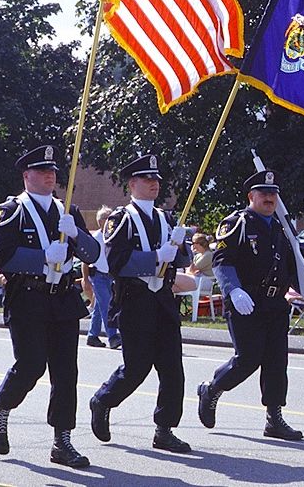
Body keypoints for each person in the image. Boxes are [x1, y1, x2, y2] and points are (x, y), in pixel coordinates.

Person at [0, 145, 99, 468]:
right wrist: (41, 258)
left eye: (52, 171)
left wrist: (75, 234)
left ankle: (62, 440)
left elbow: (92, 254)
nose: (49, 176)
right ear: (26, 176)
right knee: (32, 365)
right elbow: (2, 256)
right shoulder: (12, 211)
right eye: (41, 171)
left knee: (66, 372)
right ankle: (1, 407)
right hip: (28, 298)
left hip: (62, 299)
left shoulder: (67, 212)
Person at [89, 154, 192, 453]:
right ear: (132, 184)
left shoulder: (166, 218)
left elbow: (181, 260)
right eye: (147, 180)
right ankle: (103, 400)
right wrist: (155, 257)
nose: (154, 184)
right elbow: (115, 261)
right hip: (134, 300)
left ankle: (164, 429)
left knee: (173, 368)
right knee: (136, 367)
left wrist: (180, 245)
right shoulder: (121, 219)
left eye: (157, 180)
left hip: (162, 299)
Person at [196, 170, 304, 441]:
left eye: (273, 194)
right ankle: (212, 389)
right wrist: (233, 290)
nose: (269, 198)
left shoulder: (281, 227)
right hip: (246, 302)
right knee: (248, 359)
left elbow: (291, 264)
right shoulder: (238, 223)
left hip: (275, 303)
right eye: (264, 193)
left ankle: (274, 417)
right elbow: (222, 260)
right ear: (251, 196)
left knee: (277, 361)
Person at [83, 205, 122, 349]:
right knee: (106, 304)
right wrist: (85, 279)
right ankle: (112, 336)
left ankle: (92, 335)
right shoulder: (95, 238)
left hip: (111, 276)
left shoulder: (114, 236)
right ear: (100, 221)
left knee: (100, 306)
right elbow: (85, 260)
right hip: (98, 276)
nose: (112, 221)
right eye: (108, 218)